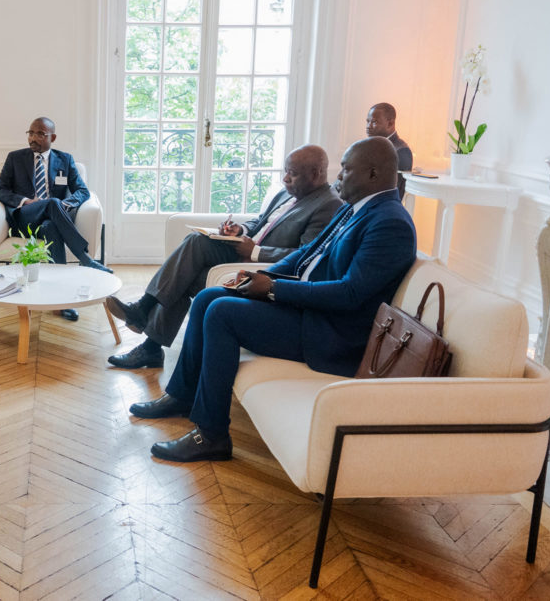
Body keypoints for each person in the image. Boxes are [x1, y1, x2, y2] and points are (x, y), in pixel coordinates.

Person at [129, 137, 416, 463]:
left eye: (346, 170)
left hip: (332, 332)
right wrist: (261, 277)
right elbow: (305, 254)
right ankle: (182, 396)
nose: (338, 177)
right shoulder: (355, 209)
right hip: (310, 309)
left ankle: (211, 435)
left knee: (222, 313)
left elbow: (349, 294)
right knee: (209, 297)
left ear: (374, 173)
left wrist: (274, 289)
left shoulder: (390, 222)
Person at [106, 145, 342, 369]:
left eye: (292, 174)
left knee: (184, 275)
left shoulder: (328, 205)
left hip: (261, 268)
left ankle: (148, 334)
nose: (285, 178)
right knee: (195, 242)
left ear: (316, 174)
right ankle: (145, 320)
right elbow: (260, 222)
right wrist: (240, 230)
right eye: (285, 171)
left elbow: (306, 255)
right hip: (243, 250)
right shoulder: (286, 193)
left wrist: (255, 252)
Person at [0, 116, 111, 321]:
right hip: (25, 218)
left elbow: (82, 191)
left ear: (52, 138)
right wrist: (25, 201)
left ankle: (61, 301)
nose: (33, 138)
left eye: (40, 134)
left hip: (53, 219)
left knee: (51, 224)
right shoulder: (15, 158)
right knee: (52, 202)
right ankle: (85, 259)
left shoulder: (65, 160)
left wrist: (67, 204)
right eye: (31, 133)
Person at [365, 102, 413, 198]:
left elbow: (394, 194)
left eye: (374, 122)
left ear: (390, 123)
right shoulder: (372, 145)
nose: (368, 126)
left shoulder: (401, 151)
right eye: (367, 121)